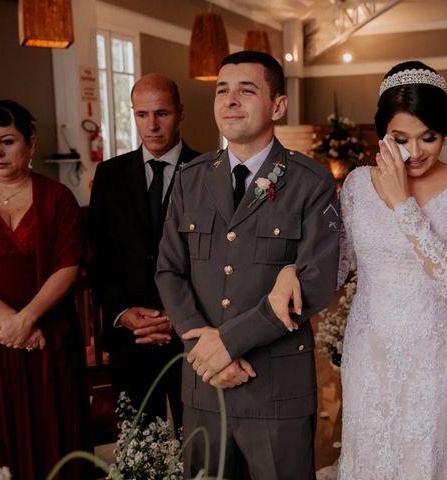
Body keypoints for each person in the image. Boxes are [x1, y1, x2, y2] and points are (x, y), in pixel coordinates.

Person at [272, 61, 447, 479]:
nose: (417, 151)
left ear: (444, 131)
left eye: (429, 137)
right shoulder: (356, 184)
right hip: (369, 349)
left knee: (425, 460)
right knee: (370, 456)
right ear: (381, 135)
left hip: (436, 353)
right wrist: (291, 271)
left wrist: (401, 203)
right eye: (400, 139)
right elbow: (338, 267)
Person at [155, 51, 340, 479]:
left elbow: (314, 282)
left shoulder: (310, 182)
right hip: (205, 385)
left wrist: (228, 343)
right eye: (222, 90)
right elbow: (169, 270)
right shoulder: (190, 178)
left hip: (275, 388)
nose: (230, 100)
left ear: (278, 106)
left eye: (246, 90)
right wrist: (206, 352)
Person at [88, 74, 200, 429]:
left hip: (192, 337)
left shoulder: (208, 172)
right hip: (130, 337)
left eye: (162, 113)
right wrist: (122, 312)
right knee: (138, 446)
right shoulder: (108, 175)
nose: (151, 125)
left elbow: (215, 259)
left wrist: (177, 315)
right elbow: (99, 255)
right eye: (142, 114)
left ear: (180, 113)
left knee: (200, 444)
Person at [0, 100, 91, 478]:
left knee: (56, 433)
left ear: (30, 143)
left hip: (49, 335)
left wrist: (30, 320)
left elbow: (69, 264)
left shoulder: (57, 197)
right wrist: (12, 326)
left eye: (8, 141)